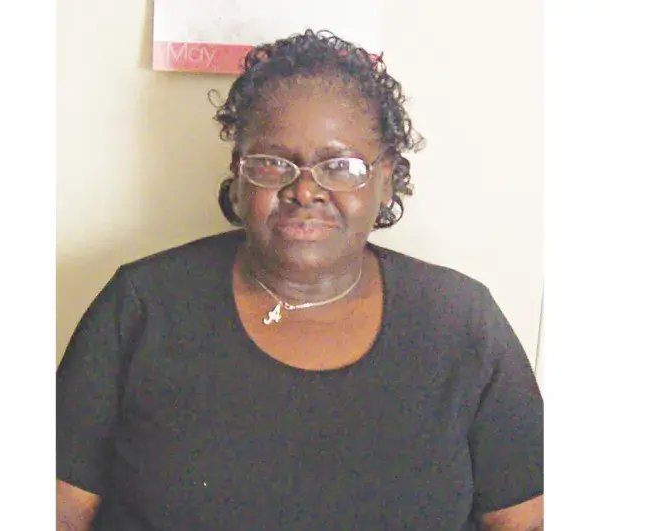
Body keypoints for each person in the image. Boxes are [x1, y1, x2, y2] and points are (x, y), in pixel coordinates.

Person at [57, 29, 543, 531]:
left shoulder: (461, 324)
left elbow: (527, 519)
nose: (305, 190)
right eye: (273, 163)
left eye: (340, 165)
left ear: (385, 180)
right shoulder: (142, 307)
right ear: (239, 177)